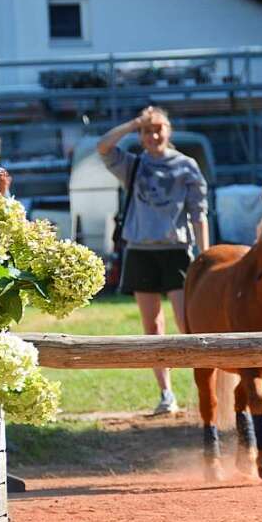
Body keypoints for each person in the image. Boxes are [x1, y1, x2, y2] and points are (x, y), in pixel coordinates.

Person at [97, 106, 210, 415]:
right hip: (141, 251)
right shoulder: (132, 165)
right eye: (147, 131)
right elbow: (103, 146)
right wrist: (133, 122)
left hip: (175, 250)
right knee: (153, 326)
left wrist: (205, 256)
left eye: (158, 129)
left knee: (188, 322)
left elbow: (199, 214)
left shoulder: (186, 167)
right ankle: (166, 393)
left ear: (169, 131)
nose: (154, 136)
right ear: (141, 135)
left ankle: (205, 388)